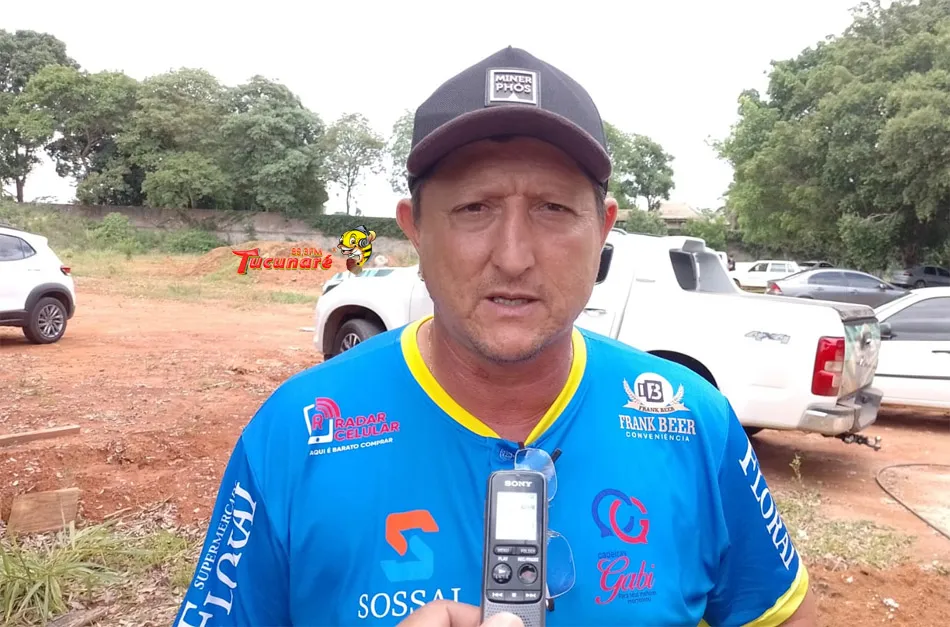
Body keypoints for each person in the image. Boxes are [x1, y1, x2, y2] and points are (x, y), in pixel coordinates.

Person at [173, 46, 817, 627]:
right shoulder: (296, 432)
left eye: (553, 209)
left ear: (602, 230)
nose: (513, 257)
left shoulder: (692, 422)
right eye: (474, 208)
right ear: (416, 229)